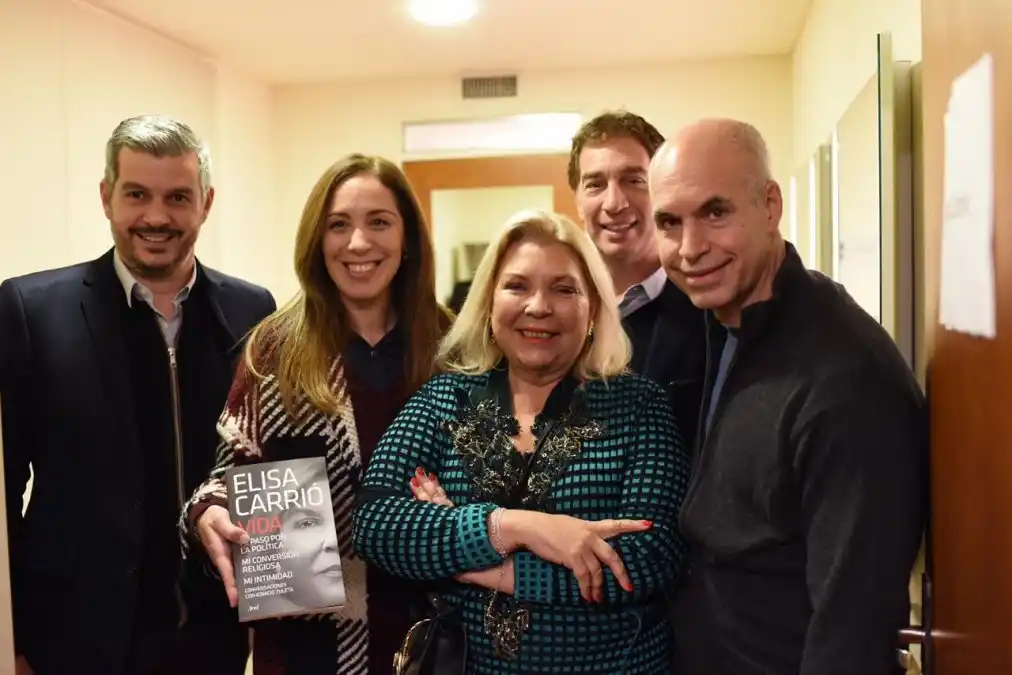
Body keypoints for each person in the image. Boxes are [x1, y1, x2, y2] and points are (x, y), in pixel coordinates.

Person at [353, 209, 690, 675]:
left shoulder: (638, 407)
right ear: (489, 301)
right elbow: (376, 523)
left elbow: (648, 559)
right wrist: (517, 528)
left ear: (593, 305)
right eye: (517, 286)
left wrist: (469, 566)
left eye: (563, 289)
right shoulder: (444, 400)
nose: (538, 306)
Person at [649, 117, 928, 675]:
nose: (690, 248)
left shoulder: (846, 379)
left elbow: (854, 625)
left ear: (770, 205)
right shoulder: (725, 319)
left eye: (715, 212)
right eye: (669, 222)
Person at [0, 114, 276, 675]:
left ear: (206, 202)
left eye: (178, 196)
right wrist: (16, 639)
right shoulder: (31, 311)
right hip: (73, 640)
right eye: (136, 194)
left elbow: (265, 467)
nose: (156, 216)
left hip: (213, 636)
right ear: (107, 197)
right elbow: (5, 492)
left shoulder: (255, 313)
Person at [179, 153, 452, 675]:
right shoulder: (273, 351)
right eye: (338, 225)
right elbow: (227, 475)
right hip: (307, 652)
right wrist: (207, 512)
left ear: (409, 237)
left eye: (379, 222)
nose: (357, 243)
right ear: (316, 239)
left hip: (434, 640)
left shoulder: (453, 349)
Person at [569, 110, 706, 450]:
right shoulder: (556, 314)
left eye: (634, 180)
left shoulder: (708, 310)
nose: (614, 203)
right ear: (577, 200)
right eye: (595, 184)